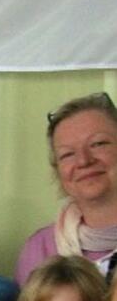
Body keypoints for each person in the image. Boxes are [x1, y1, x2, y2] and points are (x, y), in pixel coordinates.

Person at [15, 92, 117, 285]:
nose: (84, 161)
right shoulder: (40, 249)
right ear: (58, 171)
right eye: (68, 154)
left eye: (98, 144)